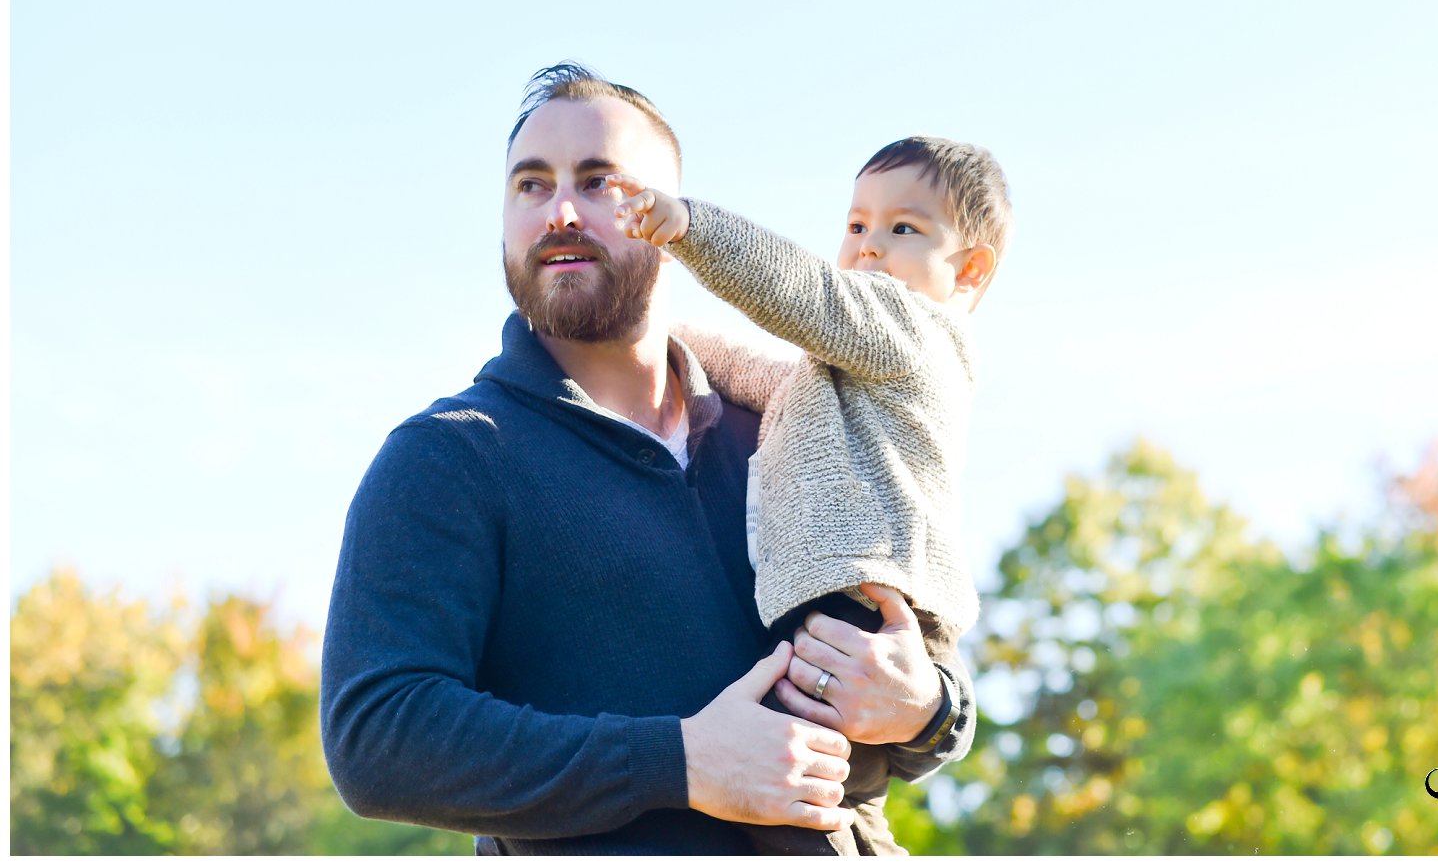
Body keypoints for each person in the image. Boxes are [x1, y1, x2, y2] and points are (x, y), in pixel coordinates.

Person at [319, 65, 976, 855]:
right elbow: (377, 738)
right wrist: (678, 761)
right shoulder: (449, 455)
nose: (561, 210)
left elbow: (921, 665)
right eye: (531, 185)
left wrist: (928, 708)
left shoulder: (782, 429)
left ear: (670, 223)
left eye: (600, 182)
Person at [605, 133, 1010, 854]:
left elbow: (803, 292)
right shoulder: (845, 370)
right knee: (828, 793)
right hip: (846, 601)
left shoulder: (915, 330)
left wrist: (692, 228)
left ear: (969, 270)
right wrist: (651, 331)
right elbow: (760, 372)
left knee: (807, 795)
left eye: (903, 228)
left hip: (873, 604)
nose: (869, 248)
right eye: (856, 225)